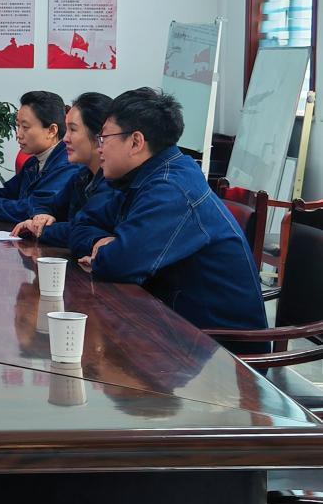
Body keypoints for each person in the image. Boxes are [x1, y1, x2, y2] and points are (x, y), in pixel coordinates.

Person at [70, 87, 268, 337]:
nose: (99, 148)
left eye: (104, 138)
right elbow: (80, 227)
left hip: (217, 346)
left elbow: (118, 263)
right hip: (170, 326)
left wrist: (108, 250)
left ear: (135, 142)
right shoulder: (140, 178)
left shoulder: (171, 188)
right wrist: (102, 241)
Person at [11, 92, 115, 247]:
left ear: (100, 135)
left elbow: (80, 229)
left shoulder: (112, 182)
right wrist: (42, 215)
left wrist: (39, 229)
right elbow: (49, 205)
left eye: (73, 129)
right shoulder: (82, 176)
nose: (65, 138)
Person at [0, 91, 78, 223]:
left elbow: (36, 208)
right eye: (18, 126)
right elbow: (8, 192)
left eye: (25, 127)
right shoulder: (33, 162)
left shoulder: (67, 164)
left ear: (51, 131)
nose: (18, 134)